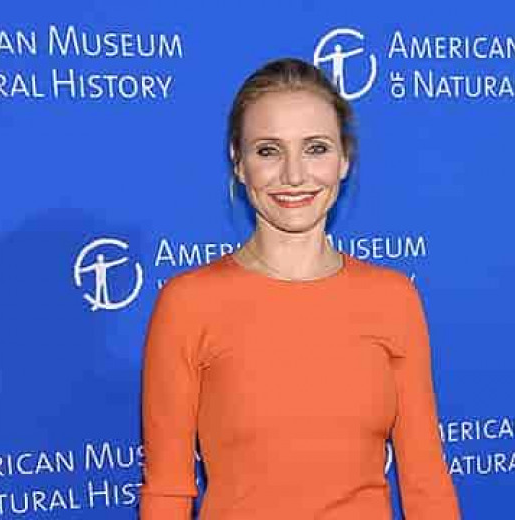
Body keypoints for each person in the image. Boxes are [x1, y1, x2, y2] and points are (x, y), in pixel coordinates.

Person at [139, 57, 460, 519]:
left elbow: (427, 484)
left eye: (316, 148)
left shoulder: (393, 299)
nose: (294, 175)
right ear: (239, 163)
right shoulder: (188, 303)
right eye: (268, 150)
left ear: (344, 160)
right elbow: (166, 492)